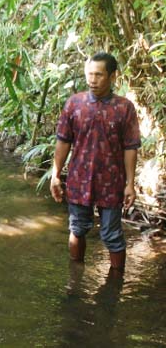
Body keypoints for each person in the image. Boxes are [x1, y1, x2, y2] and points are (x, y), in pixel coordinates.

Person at [50, 52, 141, 274]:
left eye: (99, 75)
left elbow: (131, 147)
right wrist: (55, 174)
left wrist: (130, 183)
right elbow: (63, 142)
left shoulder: (124, 108)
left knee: (112, 234)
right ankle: (76, 277)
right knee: (77, 228)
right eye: (90, 74)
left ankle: (116, 283)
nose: (93, 80)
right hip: (79, 178)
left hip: (112, 182)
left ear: (112, 76)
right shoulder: (74, 104)